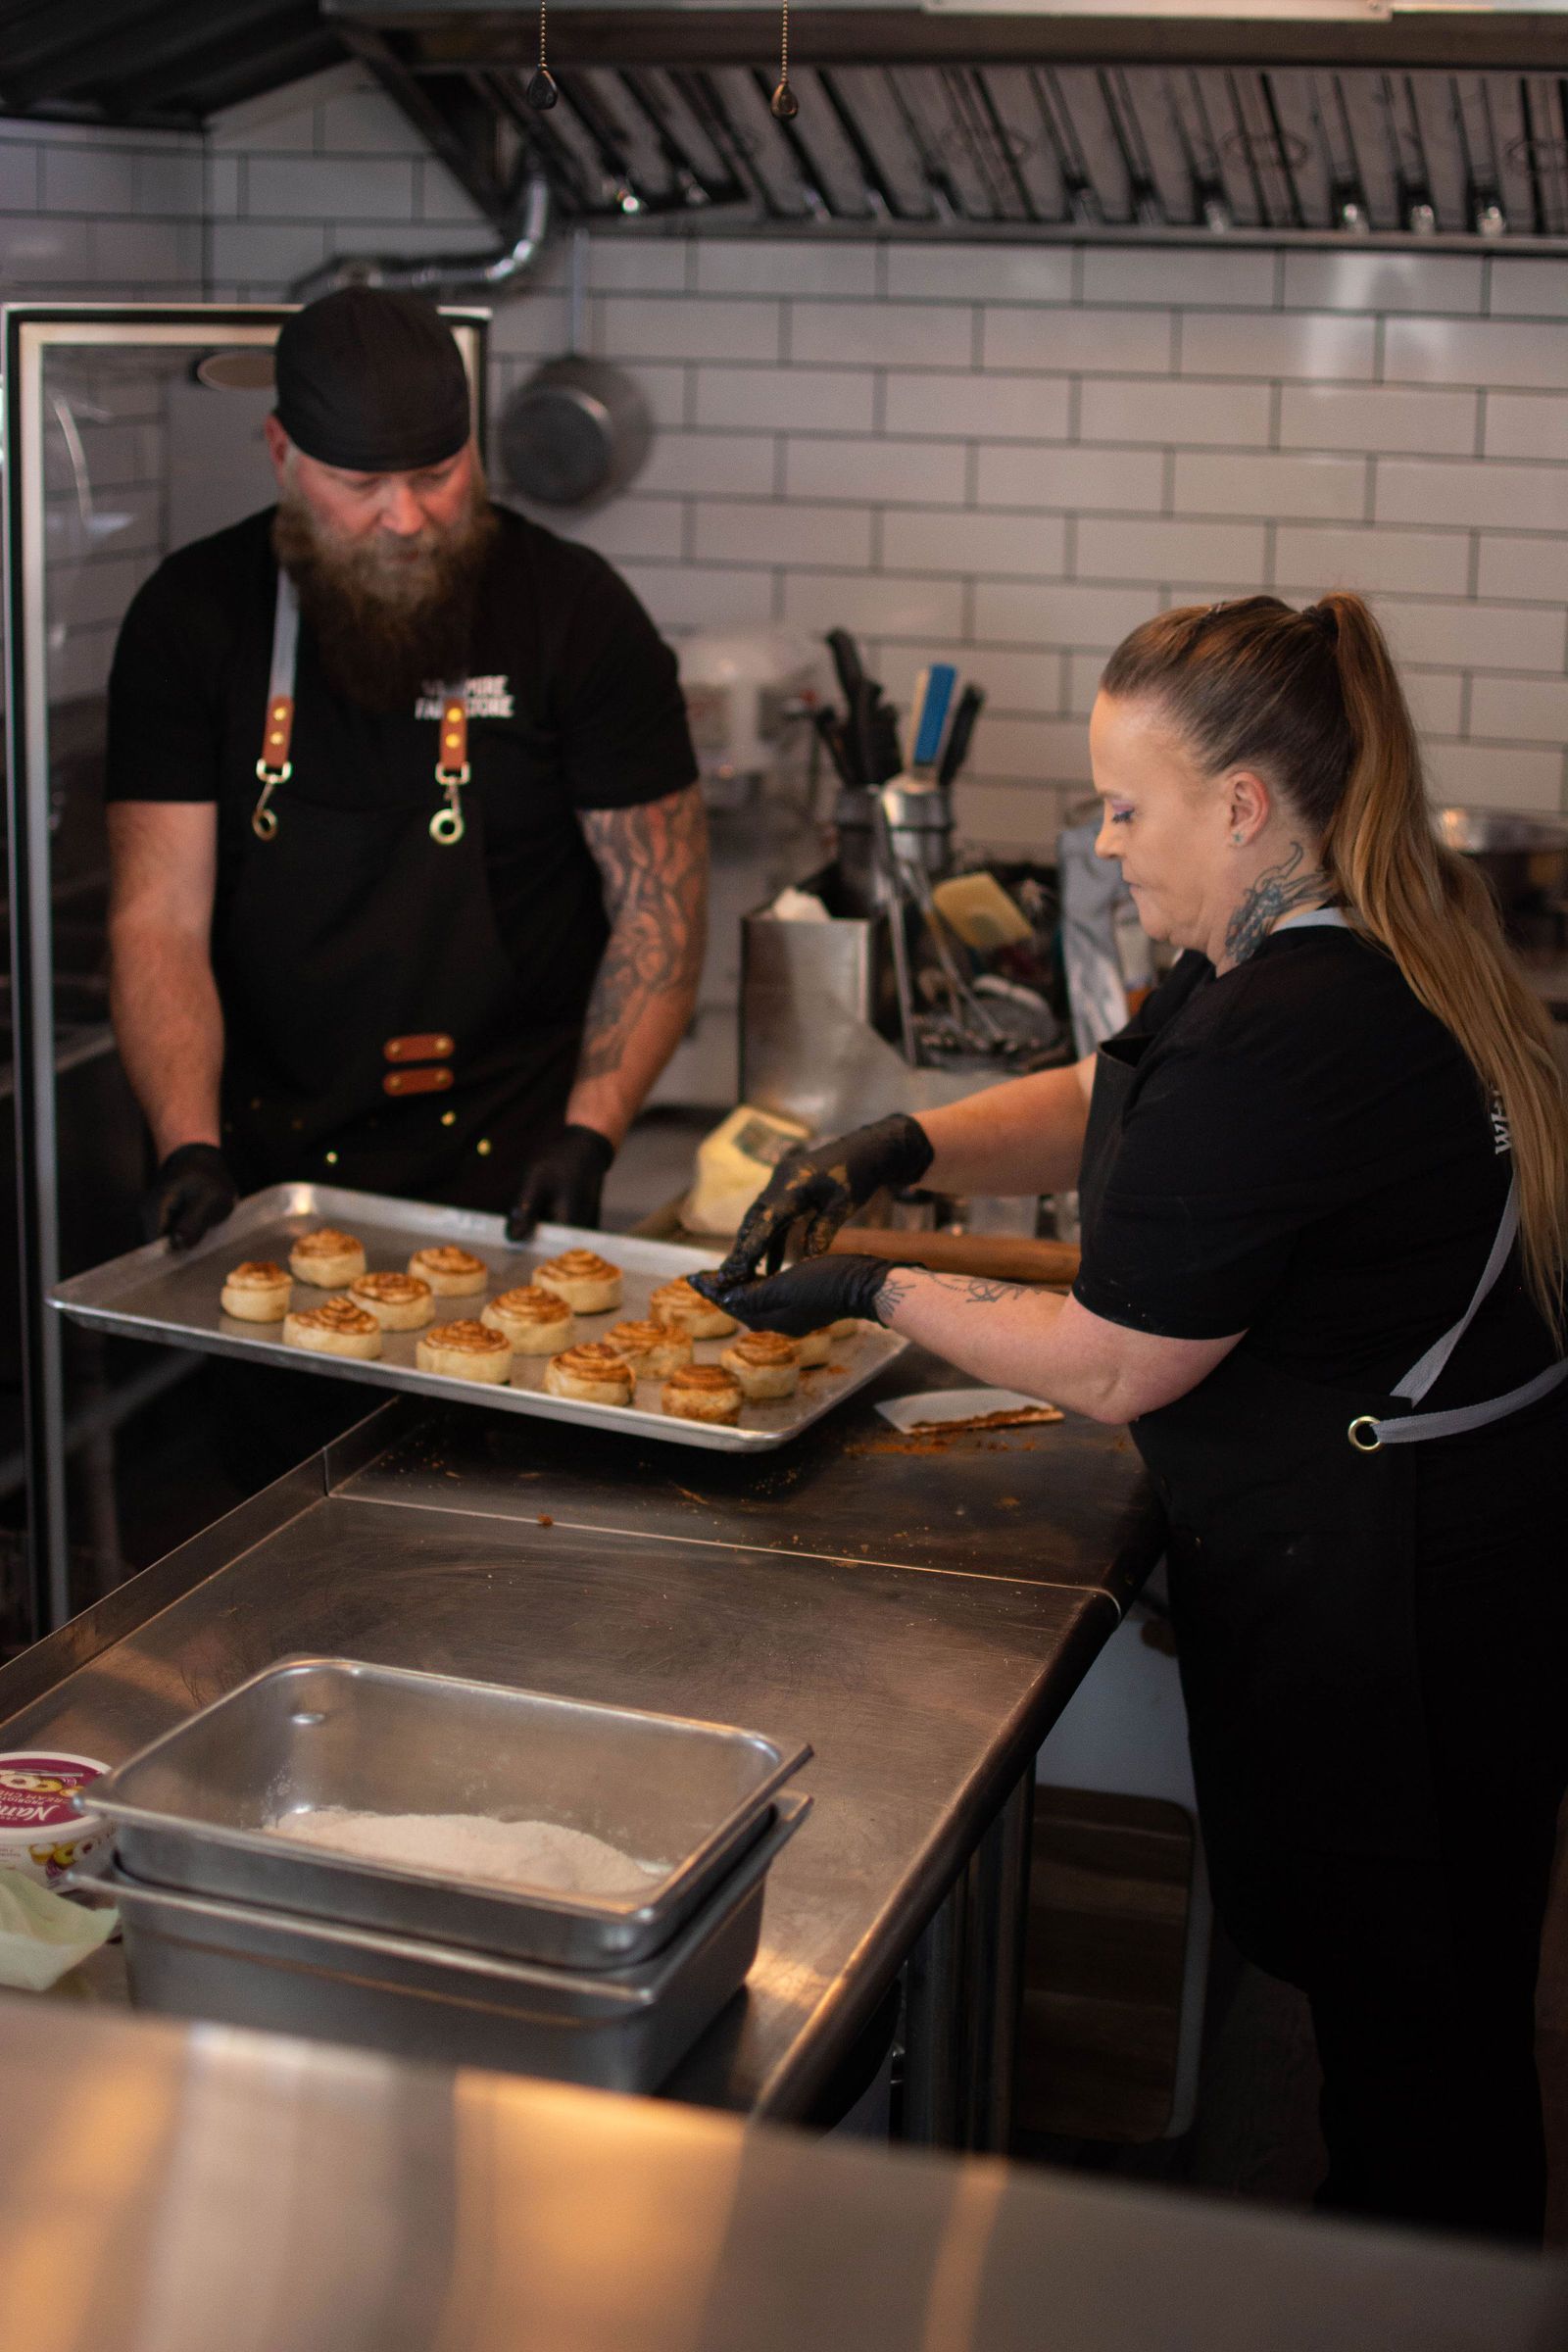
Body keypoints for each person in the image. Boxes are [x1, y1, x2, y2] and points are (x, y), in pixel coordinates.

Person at [701, 593, 1568, 2242]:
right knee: (1417, 2017)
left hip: (1407, 1605)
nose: (1103, 848)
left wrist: (871, 1291)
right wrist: (903, 1147)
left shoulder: (1303, 1024)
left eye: (1124, 806)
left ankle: (1435, 2300)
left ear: (1243, 805)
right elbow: (1118, 1088)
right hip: (1444, 1562)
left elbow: (1116, 1361)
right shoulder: (1310, 940)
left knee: (1426, 2055)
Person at [105, 286, 706, 1248]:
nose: (407, 518)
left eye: (437, 473)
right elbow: (158, 916)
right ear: (281, 455)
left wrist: (593, 1131)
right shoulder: (191, 618)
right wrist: (187, 1140)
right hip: (258, 1175)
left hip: (511, 1169)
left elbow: (659, 904)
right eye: (361, 484)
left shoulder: (576, 612)